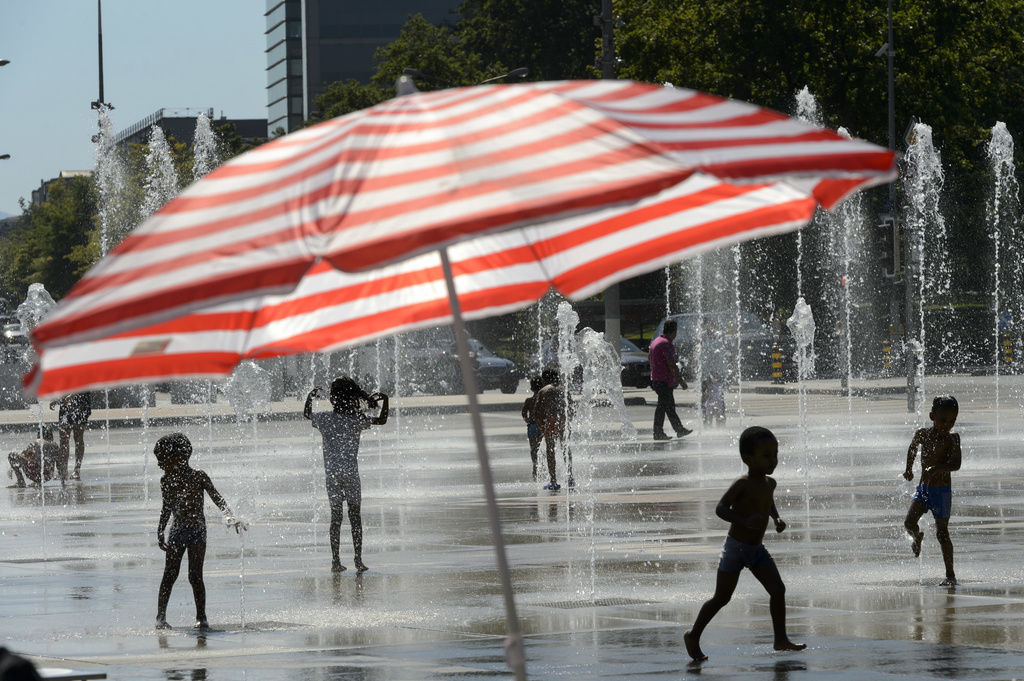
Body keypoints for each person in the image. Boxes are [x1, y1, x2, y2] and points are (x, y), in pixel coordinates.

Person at [684, 426, 805, 662]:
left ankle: (780, 639)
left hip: (756, 549)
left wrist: (776, 518)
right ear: (747, 458)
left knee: (778, 590)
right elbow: (720, 509)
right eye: (766, 456)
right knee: (722, 597)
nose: (773, 461)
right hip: (735, 549)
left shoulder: (771, 483)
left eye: (775, 454)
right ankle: (693, 634)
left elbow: (768, 501)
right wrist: (744, 520)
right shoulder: (742, 483)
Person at [155, 433, 244, 630]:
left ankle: (201, 617)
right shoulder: (166, 480)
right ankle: (160, 617)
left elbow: (217, 498)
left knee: (195, 575)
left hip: (197, 531)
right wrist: (160, 530)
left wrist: (230, 516)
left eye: (162, 459)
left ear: (179, 457)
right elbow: (166, 508)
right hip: (177, 531)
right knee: (169, 574)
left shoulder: (198, 476)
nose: (160, 464)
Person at [304, 376, 389, 573]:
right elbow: (382, 420)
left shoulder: (324, 419)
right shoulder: (356, 419)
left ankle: (335, 561)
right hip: (351, 474)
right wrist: (385, 401)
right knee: (355, 518)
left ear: (333, 399)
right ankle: (358, 560)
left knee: (336, 519)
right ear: (352, 398)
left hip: (332, 475)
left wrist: (310, 396)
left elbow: (307, 413)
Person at [903, 395, 962, 586]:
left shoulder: (953, 438)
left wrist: (937, 468)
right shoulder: (923, 434)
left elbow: (956, 463)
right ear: (932, 416)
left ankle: (950, 575)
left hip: (942, 492)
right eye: (943, 420)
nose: (947, 425)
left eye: (952, 421)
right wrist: (909, 469)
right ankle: (917, 536)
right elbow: (912, 448)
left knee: (942, 533)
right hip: (924, 489)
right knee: (909, 522)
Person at [649, 319, 692, 440]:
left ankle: (677, 430)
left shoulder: (656, 341)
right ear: (674, 331)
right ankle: (660, 432)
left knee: (667, 406)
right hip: (663, 381)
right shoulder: (666, 343)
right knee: (664, 407)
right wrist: (681, 381)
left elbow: (649, 357)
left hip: (657, 380)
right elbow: (672, 364)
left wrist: (655, 371)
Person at [532, 368, 573, 490]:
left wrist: (542, 427)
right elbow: (571, 407)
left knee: (550, 450)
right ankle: (570, 477)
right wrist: (569, 422)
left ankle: (553, 481)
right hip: (563, 420)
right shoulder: (564, 389)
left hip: (550, 420)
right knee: (566, 448)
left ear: (544, 379)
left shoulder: (543, 391)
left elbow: (536, 413)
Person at [49, 392, 91, 481]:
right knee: (63, 438)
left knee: (78, 437)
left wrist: (73, 395)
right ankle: (63, 470)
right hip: (65, 401)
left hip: (81, 401)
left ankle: (77, 470)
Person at [521, 376, 544, 481]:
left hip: (533, 425)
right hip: (543, 425)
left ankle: (535, 465)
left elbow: (523, 412)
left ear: (531, 389)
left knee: (533, 447)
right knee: (542, 446)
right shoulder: (544, 399)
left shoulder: (529, 400)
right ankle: (542, 465)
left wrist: (527, 419)